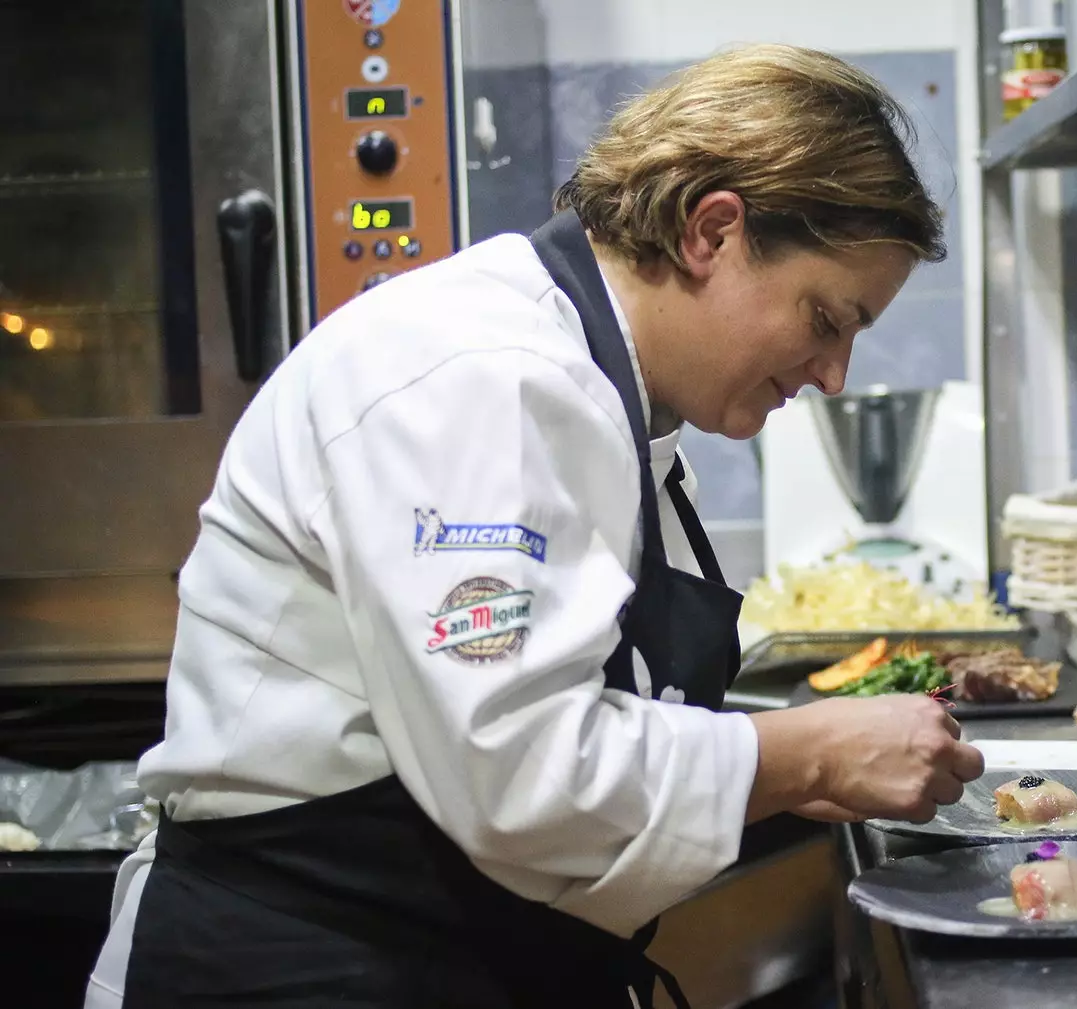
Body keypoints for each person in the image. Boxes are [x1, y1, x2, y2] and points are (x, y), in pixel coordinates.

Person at [83, 43, 985, 1009]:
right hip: (296, 968)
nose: (834, 373)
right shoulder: (479, 377)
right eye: (826, 318)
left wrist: (772, 773)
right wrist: (807, 752)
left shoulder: (608, 399)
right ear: (711, 232)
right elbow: (521, 771)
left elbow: (568, 704)